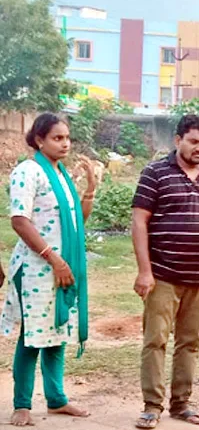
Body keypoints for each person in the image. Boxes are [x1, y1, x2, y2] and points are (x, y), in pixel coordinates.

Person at [132, 114, 199, 429]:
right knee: (156, 340)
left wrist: (192, 236)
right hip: (161, 275)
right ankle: (152, 406)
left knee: (190, 341)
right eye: (194, 141)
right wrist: (144, 271)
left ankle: (182, 404)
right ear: (178, 141)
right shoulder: (155, 173)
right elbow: (139, 222)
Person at [0, 113, 97, 426]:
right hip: (36, 268)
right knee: (32, 337)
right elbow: (19, 220)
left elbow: (77, 222)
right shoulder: (28, 171)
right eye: (58, 138)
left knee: (57, 333)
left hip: (62, 267)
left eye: (67, 138)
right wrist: (53, 258)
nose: (65, 143)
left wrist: (91, 189)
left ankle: (56, 400)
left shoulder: (62, 176)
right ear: (39, 139)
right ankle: (21, 404)